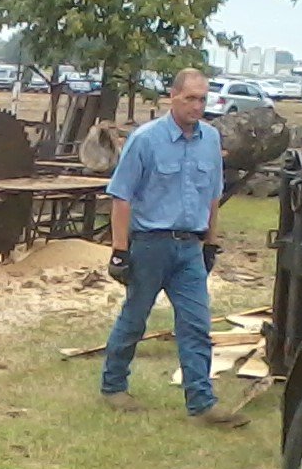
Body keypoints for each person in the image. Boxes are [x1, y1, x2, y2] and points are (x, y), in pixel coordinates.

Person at [99, 67, 249, 427]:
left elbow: (212, 194)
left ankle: (202, 403)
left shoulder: (211, 140)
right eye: (190, 99)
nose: (197, 106)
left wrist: (211, 242)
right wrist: (120, 251)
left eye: (203, 99)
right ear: (172, 97)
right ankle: (113, 385)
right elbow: (121, 197)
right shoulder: (146, 140)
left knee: (196, 324)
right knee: (135, 317)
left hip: (189, 248)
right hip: (150, 244)